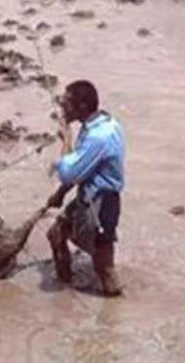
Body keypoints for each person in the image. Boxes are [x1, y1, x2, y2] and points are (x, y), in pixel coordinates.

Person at [45, 80, 125, 297]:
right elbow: (83, 168)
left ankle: (113, 315)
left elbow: (70, 172)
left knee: (105, 270)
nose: (62, 109)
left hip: (101, 204)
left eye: (67, 104)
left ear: (82, 107)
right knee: (56, 233)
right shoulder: (99, 125)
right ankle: (67, 289)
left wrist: (66, 139)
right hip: (90, 195)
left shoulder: (99, 136)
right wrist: (60, 195)